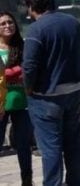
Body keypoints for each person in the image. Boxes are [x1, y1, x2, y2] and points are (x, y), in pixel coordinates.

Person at [22, 0, 80, 186]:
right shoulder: (73, 23)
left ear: (32, 5)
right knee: (73, 143)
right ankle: (77, 182)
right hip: (75, 91)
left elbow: (29, 65)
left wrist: (28, 88)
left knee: (50, 147)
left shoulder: (36, 29)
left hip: (46, 97)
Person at [0, 11, 34, 186]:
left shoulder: (24, 46)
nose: (7, 26)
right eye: (3, 23)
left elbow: (30, 68)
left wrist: (10, 74)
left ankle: (27, 181)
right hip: (0, 103)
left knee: (23, 146)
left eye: (10, 22)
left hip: (21, 102)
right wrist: (14, 72)